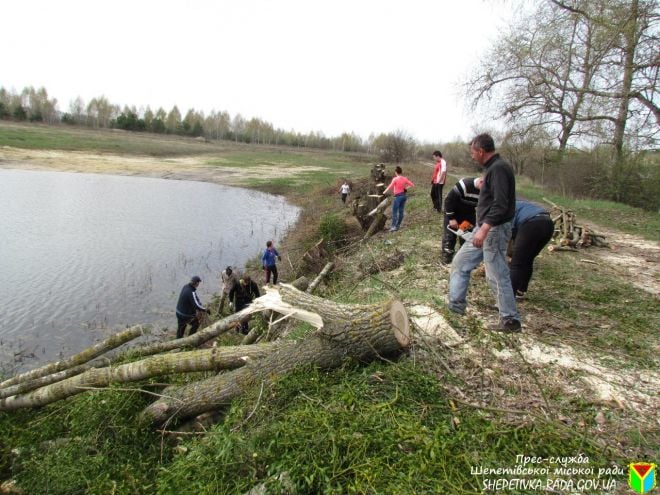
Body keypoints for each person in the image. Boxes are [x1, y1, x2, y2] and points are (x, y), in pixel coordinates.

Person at [447, 133, 521, 333]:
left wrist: (485, 229)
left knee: (496, 274)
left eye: (473, 152)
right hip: (484, 228)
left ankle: (510, 320)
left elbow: (500, 204)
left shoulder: (498, 169)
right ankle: (455, 308)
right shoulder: (493, 170)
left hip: (493, 229)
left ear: (481, 151)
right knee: (460, 263)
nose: (472, 156)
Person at [510, 200, 554, 299]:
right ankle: (520, 290)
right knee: (528, 259)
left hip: (531, 224)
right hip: (548, 224)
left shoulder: (507, 208)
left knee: (516, 263)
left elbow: (512, 232)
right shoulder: (522, 204)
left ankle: (507, 298)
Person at [441, 177, 482, 265]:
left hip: (468, 215)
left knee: (466, 237)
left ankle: (462, 260)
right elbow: (449, 200)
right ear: (481, 182)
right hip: (453, 212)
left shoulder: (487, 191)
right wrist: (451, 218)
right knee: (450, 237)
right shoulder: (464, 185)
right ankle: (447, 259)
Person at [383, 166, 415, 232]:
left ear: (396, 172)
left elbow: (390, 186)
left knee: (394, 212)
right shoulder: (405, 178)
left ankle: (393, 227)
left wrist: (384, 192)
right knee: (401, 211)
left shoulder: (395, 179)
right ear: (401, 172)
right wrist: (406, 188)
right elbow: (412, 185)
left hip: (397, 197)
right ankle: (398, 226)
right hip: (404, 196)